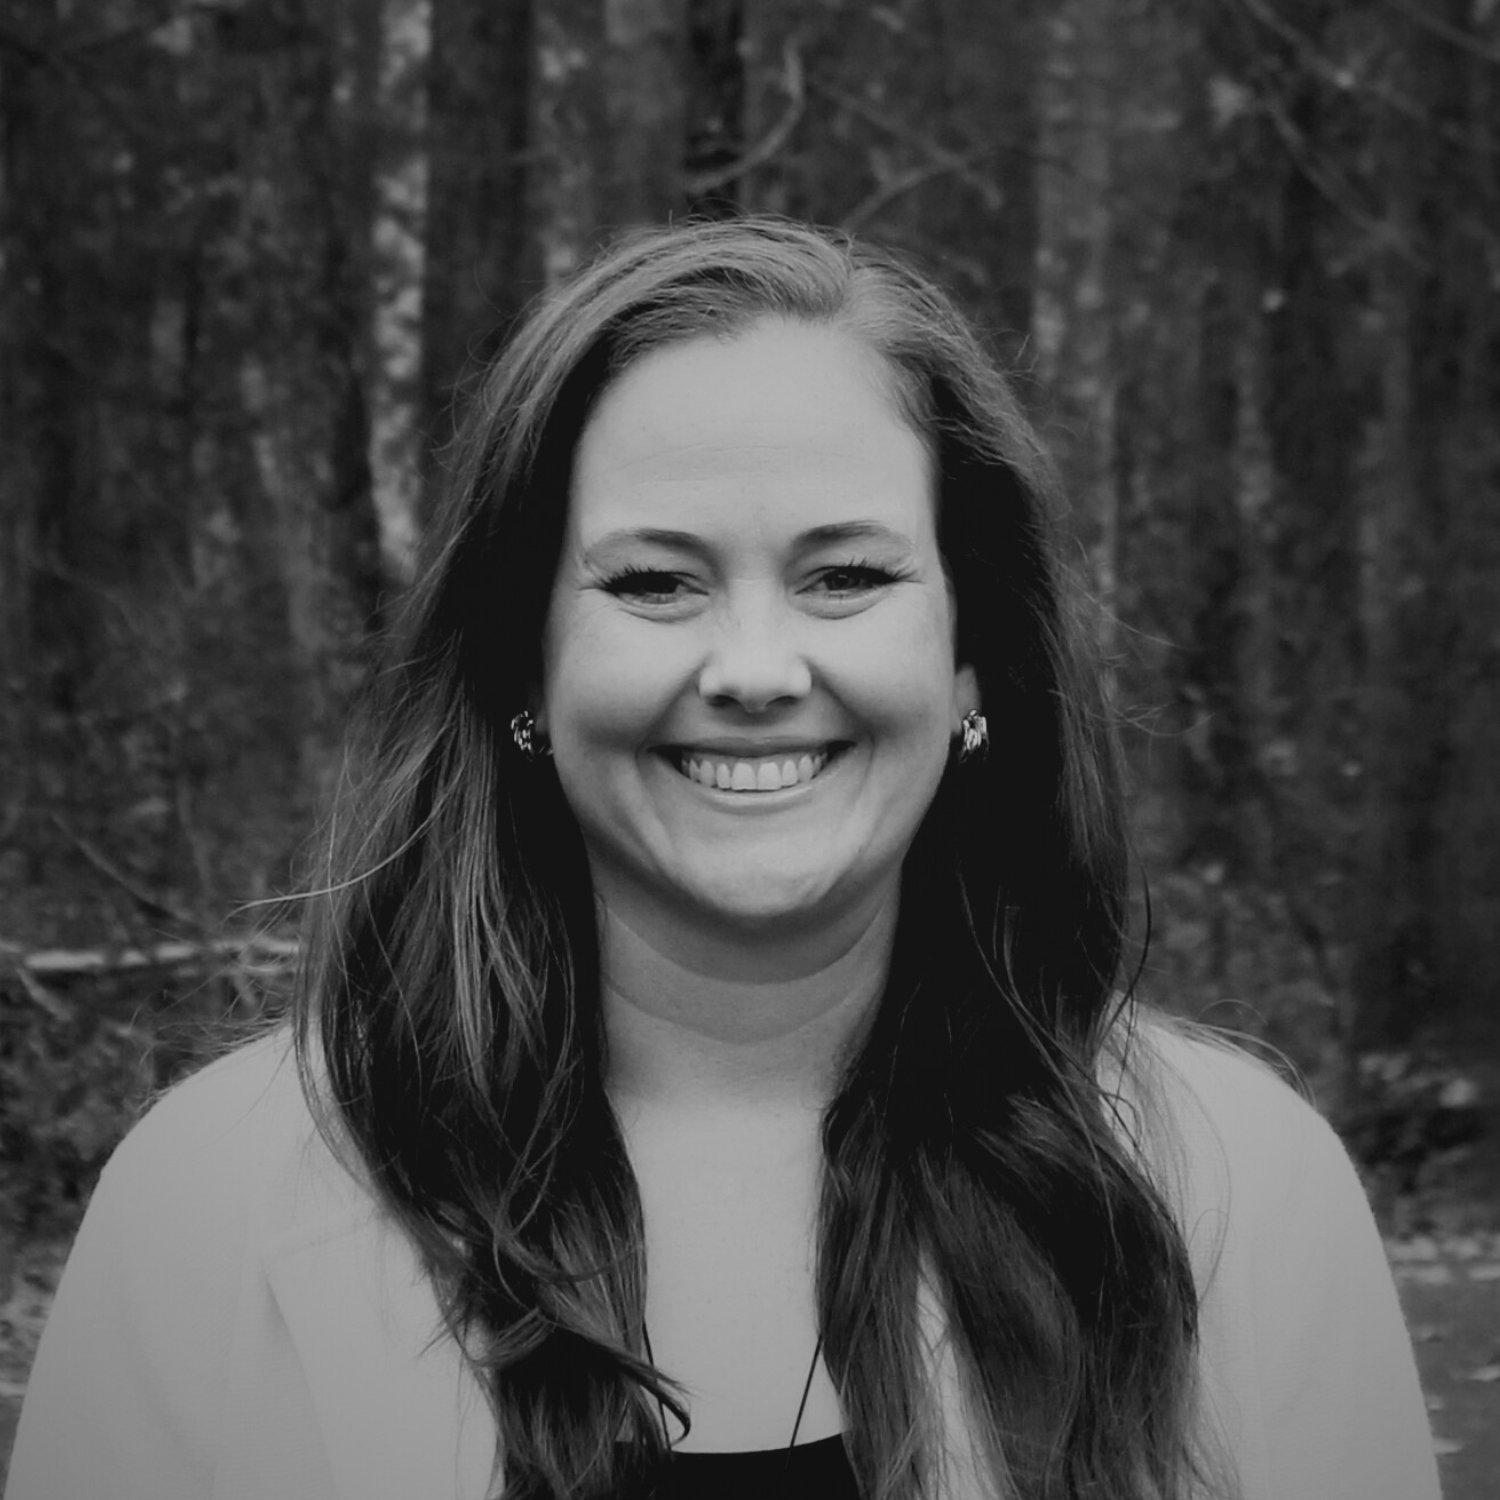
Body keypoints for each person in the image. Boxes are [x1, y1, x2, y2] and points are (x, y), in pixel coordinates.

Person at [5, 218, 1439, 1500]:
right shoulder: (209, 1208)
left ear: (973, 663)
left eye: (846, 576)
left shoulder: (1242, 1196)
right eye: (654, 582)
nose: (754, 667)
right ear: (526, 668)